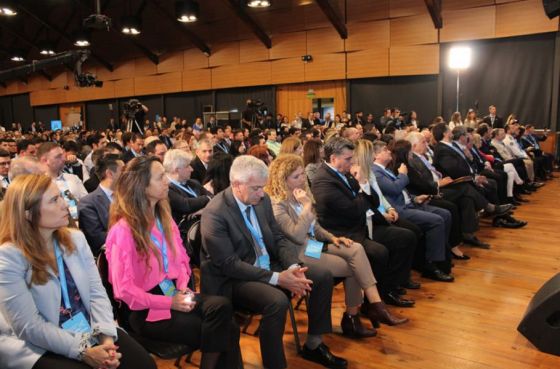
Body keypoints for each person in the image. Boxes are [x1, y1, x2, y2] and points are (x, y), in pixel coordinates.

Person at [200, 155, 347, 369]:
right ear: (236, 185)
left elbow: (278, 238)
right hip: (234, 279)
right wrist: (278, 278)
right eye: (256, 188)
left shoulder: (262, 200)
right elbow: (229, 264)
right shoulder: (215, 213)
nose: (262, 193)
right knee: (276, 301)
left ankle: (314, 345)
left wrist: (294, 267)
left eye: (263, 187)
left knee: (321, 276)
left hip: (268, 265)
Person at [0, 174, 156, 369]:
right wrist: (83, 351)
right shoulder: (9, 257)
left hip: (90, 328)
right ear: (28, 214)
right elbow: (29, 327)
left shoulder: (75, 239)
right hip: (40, 344)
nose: (66, 205)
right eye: (54, 200)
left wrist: (107, 339)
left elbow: (97, 294)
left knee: (144, 364)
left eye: (61, 197)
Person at [105, 156, 241, 369]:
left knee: (223, 308)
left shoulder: (163, 219)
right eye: (160, 177)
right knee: (228, 327)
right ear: (141, 185)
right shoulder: (123, 231)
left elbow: (181, 262)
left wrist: (182, 288)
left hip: (173, 293)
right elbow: (125, 292)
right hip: (146, 311)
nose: (167, 181)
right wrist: (170, 302)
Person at [266, 154, 408, 337]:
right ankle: (355, 316)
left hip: (313, 246)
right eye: (296, 177)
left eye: (302, 174)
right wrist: (307, 206)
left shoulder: (298, 196)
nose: (302, 180)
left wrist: (333, 238)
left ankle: (374, 305)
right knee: (354, 266)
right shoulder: (277, 204)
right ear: (282, 180)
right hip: (298, 252)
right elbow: (297, 236)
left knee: (356, 248)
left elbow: (315, 228)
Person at [312, 137, 417, 307]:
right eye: (348, 159)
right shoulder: (324, 180)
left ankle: (387, 290)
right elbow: (355, 210)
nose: (352, 161)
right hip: (342, 233)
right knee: (379, 252)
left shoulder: (343, 173)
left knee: (405, 238)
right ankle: (374, 302)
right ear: (333, 159)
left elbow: (374, 201)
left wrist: (363, 184)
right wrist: (361, 184)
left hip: (358, 227)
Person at [372, 140, 455, 282]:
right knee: (436, 220)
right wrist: (403, 174)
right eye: (385, 150)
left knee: (445, 214)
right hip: (399, 209)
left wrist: (416, 198)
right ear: (376, 155)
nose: (388, 152)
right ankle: (431, 264)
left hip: (410, 203)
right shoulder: (376, 171)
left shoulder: (386, 170)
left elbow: (402, 191)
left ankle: (441, 256)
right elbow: (394, 188)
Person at [78, 154, 124, 257]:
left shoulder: (127, 195)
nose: (126, 175)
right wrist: (130, 235)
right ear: (110, 174)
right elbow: (97, 239)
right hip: (111, 255)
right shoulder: (88, 203)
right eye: (123, 171)